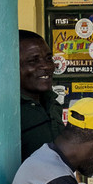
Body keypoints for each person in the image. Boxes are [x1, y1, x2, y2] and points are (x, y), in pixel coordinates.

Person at [19, 29, 61, 161]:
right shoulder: (10, 113)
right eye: (33, 61)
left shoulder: (52, 104)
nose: (46, 66)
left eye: (48, 58)